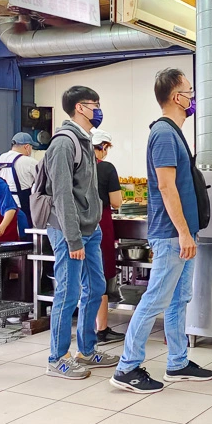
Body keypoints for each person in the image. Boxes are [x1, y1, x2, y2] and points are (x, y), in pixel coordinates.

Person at [111, 68, 212, 393]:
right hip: (172, 234)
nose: (192, 96)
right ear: (176, 97)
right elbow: (166, 187)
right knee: (156, 298)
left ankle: (177, 361)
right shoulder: (165, 134)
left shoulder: (174, 132)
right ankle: (127, 367)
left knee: (178, 299)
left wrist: (190, 231)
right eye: (189, 90)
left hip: (183, 232)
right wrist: (184, 232)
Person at [43, 86, 119, 380]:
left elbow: (86, 190)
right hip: (68, 232)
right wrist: (73, 238)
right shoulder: (63, 143)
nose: (98, 109)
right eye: (94, 104)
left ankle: (86, 351)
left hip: (91, 230)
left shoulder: (84, 140)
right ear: (79, 108)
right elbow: (62, 195)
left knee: (95, 288)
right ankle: (57, 357)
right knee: (68, 293)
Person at [93, 129, 125, 345]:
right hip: (100, 222)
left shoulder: (74, 166)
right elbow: (116, 202)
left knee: (85, 276)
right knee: (101, 274)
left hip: (75, 224)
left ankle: (88, 328)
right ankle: (101, 329)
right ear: (103, 147)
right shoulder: (105, 168)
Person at [0, 132, 38, 226]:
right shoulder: (29, 161)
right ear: (27, 147)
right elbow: (44, 181)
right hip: (20, 206)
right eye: (32, 147)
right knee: (24, 236)